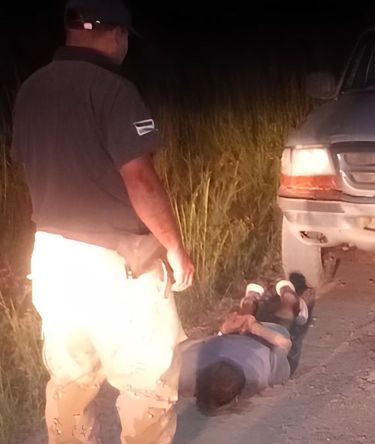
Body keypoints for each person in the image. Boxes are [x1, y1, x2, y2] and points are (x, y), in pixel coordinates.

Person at [10, 0, 194, 442]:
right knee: (147, 383)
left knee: (72, 379)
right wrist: (173, 248)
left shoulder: (30, 89)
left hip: (53, 256)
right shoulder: (113, 90)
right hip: (117, 262)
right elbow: (141, 181)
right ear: (115, 33)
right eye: (126, 37)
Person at [177, 279, 312, 410]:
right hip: (242, 335)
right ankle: (254, 299)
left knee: (282, 319)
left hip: (260, 340)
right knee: (244, 321)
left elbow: (284, 344)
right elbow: (188, 346)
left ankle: (285, 297)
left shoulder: (262, 375)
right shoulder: (192, 363)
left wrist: (226, 331)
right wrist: (246, 329)